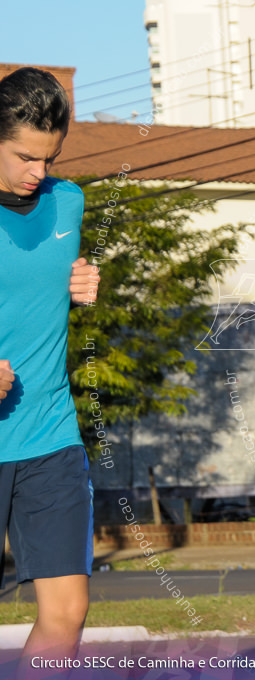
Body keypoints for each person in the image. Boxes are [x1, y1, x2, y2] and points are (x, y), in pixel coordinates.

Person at [0, 66, 101, 664]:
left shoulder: (68, 201)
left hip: (48, 435)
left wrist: (78, 284)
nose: (38, 173)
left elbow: (36, 285)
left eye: (49, 158)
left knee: (66, 615)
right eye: (22, 157)